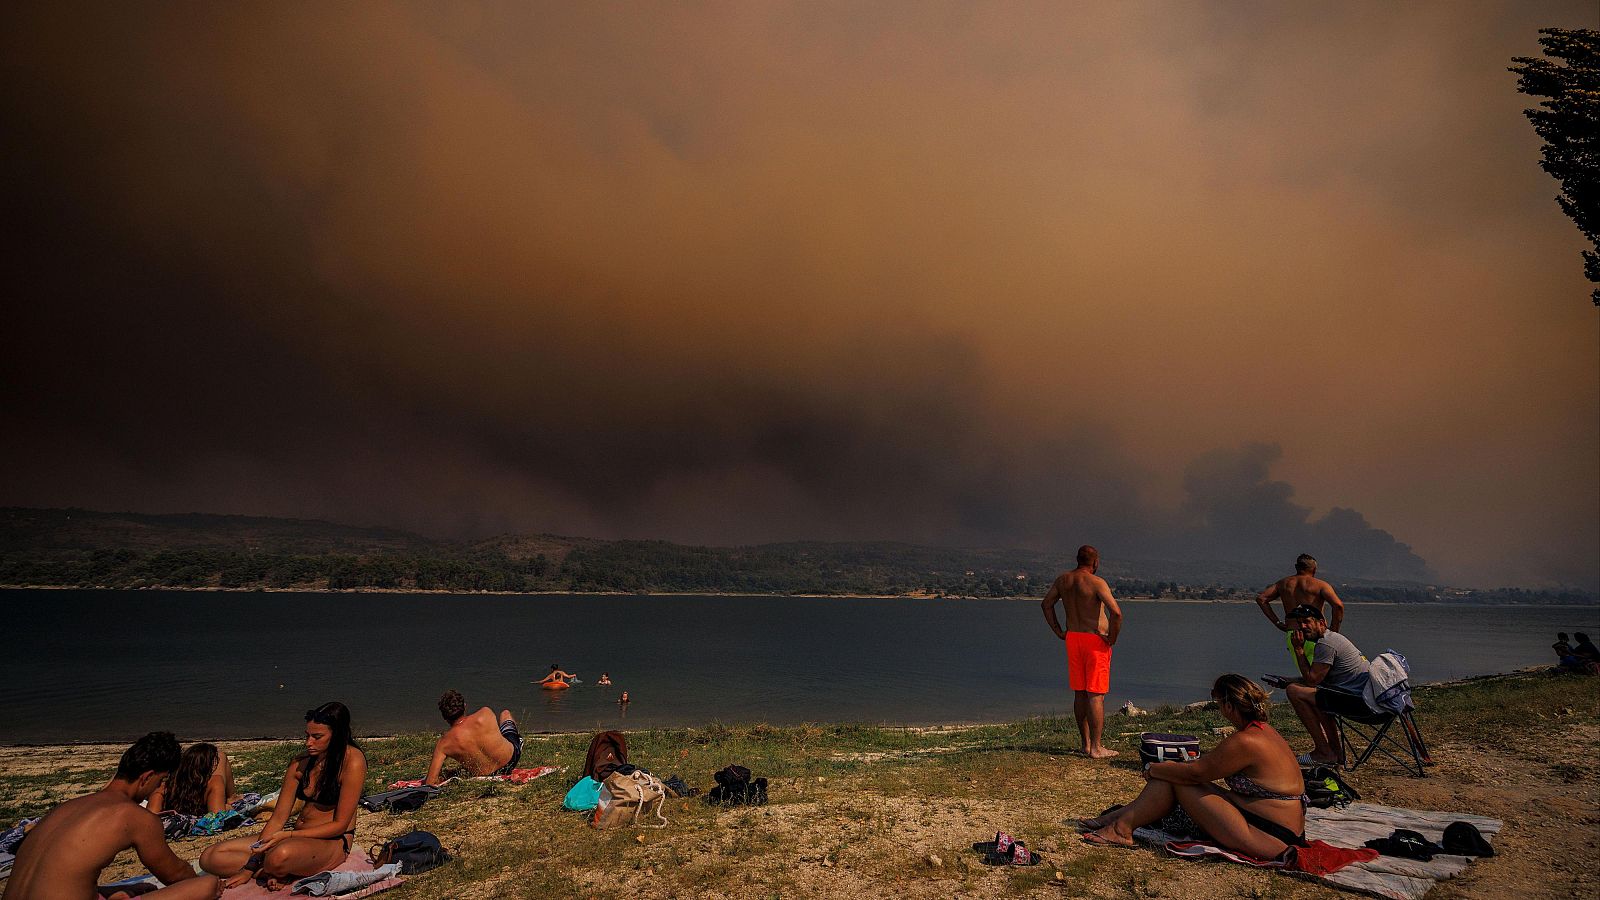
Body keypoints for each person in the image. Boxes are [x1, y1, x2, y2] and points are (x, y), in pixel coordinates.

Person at [1081, 675, 1306, 860]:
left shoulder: (1246, 741)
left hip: (1268, 834)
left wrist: (1155, 770)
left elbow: (1195, 773)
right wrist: (1169, 768)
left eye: (1219, 704)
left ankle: (1121, 828)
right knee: (1175, 775)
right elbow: (1205, 768)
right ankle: (1118, 820)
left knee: (1175, 779)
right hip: (1271, 824)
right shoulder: (1264, 731)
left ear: (1228, 706)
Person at [0, 731, 222, 900]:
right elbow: (175, 875)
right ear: (146, 778)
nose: (159, 787)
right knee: (207, 885)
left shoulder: (65, 809)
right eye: (161, 781)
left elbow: (54, 877)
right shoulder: (134, 816)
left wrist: (106, 890)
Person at [199, 703, 366, 890]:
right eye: (307, 735)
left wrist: (288, 835)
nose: (308, 742)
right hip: (292, 838)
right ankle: (272, 871)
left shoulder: (352, 762)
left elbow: (339, 825)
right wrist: (250, 866)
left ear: (337, 735)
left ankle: (276, 868)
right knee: (209, 857)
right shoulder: (301, 763)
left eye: (317, 737)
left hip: (331, 842)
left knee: (278, 856)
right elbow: (278, 818)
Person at [1041, 545, 1124, 759]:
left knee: (1080, 692)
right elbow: (1116, 612)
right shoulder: (1097, 583)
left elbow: (1046, 604)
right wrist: (1112, 638)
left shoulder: (1063, 580)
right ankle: (1096, 747)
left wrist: (1059, 631)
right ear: (1095, 563)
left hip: (1073, 638)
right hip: (1094, 641)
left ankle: (1085, 744)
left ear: (1077, 560)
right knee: (1095, 694)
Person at [1282, 605, 1370, 765]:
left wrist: (1298, 649)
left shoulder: (1326, 644)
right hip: (1365, 698)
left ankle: (1324, 752)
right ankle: (1335, 753)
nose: (1302, 627)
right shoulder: (1332, 638)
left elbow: (1312, 680)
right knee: (1318, 696)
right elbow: (1319, 678)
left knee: (1293, 692)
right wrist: (1290, 679)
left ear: (1321, 622)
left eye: (1307, 622)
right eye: (1300, 623)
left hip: (1362, 705)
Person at [1256, 554, 1345, 663]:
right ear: (1314, 569)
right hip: (1316, 635)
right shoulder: (1320, 585)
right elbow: (1338, 605)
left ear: (1296, 567)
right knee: (1320, 676)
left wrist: (1278, 623)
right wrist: (1334, 631)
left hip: (1294, 635)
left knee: (1306, 674)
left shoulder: (1283, 584)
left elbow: (1261, 599)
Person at [424, 690, 521, 785]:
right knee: (505, 714)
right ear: (465, 706)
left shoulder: (443, 743)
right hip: (511, 759)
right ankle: (519, 740)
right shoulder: (485, 712)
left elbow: (430, 782)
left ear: (444, 717)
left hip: (486, 776)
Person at [148, 743, 238, 816]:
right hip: (205, 805)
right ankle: (232, 797)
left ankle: (232, 797)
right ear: (207, 768)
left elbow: (150, 816)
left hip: (182, 803)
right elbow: (218, 818)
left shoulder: (164, 787)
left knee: (221, 756)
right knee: (221, 756)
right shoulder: (214, 782)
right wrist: (228, 808)